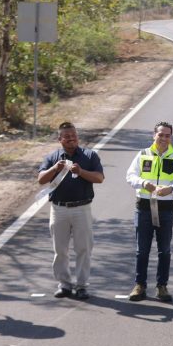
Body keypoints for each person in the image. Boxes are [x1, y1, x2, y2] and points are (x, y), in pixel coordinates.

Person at [38, 122, 104, 300]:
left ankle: (82, 285)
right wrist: (55, 169)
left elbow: (99, 178)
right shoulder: (52, 158)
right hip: (58, 209)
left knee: (83, 248)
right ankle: (64, 284)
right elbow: (41, 180)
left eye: (73, 135)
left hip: (82, 208)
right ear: (60, 139)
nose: (71, 139)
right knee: (60, 249)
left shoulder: (89, 156)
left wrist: (81, 171)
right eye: (66, 136)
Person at [126, 121, 173, 302]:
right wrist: (143, 183)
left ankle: (162, 286)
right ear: (154, 135)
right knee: (142, 250)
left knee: (165, 250)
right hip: (144, 207)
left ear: (171, 137)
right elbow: (130, 175)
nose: (163, 138)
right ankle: (140, 285)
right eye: (160, 135)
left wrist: (171, 190)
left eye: (167, 135)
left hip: (166, 209)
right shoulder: (143, 154)